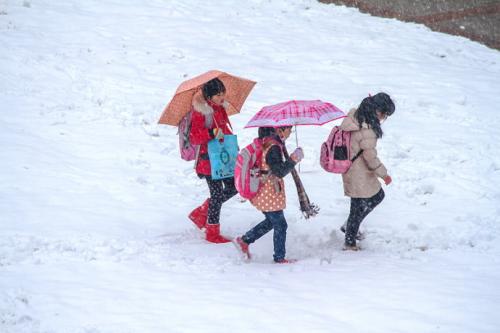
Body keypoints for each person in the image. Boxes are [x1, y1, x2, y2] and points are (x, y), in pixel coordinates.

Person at [234, 126, 304, 263]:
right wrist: (294, 159)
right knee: (280, 225)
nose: (290, 132)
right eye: (289, 129)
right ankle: (279, 257)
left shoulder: (268, 142)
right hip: (268, 191)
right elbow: (279, 171)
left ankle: (244, 240)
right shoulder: (273, 147)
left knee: (271, 222)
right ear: (280, 130)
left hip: (264, 190)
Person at [339, 92, 395, 250]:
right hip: (359, 172)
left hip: (352, 168)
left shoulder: (356, 116)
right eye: (385, 114)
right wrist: (384, 174)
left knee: (357, 206)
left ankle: (350, 229)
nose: (384, 118)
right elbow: (370, 156)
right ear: (378, 110)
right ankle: (349, 242)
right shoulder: (366, 129)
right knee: (374, 198)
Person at [188, 78, 237, 243]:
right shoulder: (201, 111)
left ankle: (202, 211)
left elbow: (224, 130)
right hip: (208, 160)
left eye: (223, 92)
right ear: (209, 95)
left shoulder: (220, 108)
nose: (222, 96)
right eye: (218, 94)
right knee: (216, 194)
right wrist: (210, 133)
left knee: (234, 186)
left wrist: (232, 146)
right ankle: (212, 231)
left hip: (223, 157)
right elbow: (194, 137)